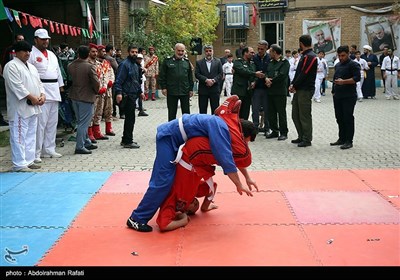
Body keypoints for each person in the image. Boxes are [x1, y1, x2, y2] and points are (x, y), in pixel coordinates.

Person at [127, 96, 258, 232]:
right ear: (242, 135)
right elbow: (226, 159)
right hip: (168, 138)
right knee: (163, 181)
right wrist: (238, 184)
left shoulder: (224, 126)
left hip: (177, 143)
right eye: (246, 142)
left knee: (167, 181)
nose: (245, 145)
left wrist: (247, 177)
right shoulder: (221, 128)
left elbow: (232, 156)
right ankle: (136, 219)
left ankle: (141, 215)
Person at [157, 116, 258, 232]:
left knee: (232, 155)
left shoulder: (174, 199)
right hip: (194, 155)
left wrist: (186, 218)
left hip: (192, 156)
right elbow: (213, 186)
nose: (195, 205)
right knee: (234, 156)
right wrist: (200, 209)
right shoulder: (192, 193)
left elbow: (164, 225)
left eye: (193, 206)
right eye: (197, 205)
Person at [3, 40, 45, 171]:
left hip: (34, 106)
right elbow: (17, 86)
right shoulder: (11, 66)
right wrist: (31, 97)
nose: (27, 53)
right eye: (24, 51)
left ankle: (29, 159)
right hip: (19, 107)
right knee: (19, 135)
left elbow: (39, 83)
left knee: (31, 134)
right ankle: (19, 163)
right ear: (17, 52)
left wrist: (42, 95)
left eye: (29, 51)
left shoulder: (31, 67)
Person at [28, 29, 64, 163]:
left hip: (54, 89)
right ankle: (36, 152)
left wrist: (61, 85)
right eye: (42, 39)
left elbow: (58, 71)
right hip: (41, 90)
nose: (45, 41)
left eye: (47, 39)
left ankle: (49, 149)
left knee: (52, 123)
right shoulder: (31, 54)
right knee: (40, 124)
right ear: (35, 39)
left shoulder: (51, 54)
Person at [67, 45, 100, 155]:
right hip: (86, 96)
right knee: (84, 123)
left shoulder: (70, 65)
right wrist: (96, 91)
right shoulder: (89, 66)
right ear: (88, 54)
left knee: (80, 121)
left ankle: (86, 141)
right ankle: (80, 146)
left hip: (74, 95)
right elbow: (96, 82)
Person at [289, 34, 318, 147]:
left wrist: (294, 84)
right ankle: (301, 136)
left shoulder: (310, 56)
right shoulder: (305, 55)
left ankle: (307, 138)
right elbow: (298, 73)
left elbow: (304, 73)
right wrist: (293, 85)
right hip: (299, 89)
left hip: (305, 90)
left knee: (304, 115)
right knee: (295, 114)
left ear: (301, 43)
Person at [330, 45, 361, 150]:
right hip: (338, 96)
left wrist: (343, 82)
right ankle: (341, 138)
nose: (341, 58)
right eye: (339, 56)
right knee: (339, 118)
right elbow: (335, 78)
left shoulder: (354, 65)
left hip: (349, 96)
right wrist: (333, 91)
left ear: (348, 54)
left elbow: (357, 78)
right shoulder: (338, 65)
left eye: (343, 55)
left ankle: (349, 140)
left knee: (348, 118)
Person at [114, 45, 143, 149]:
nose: (134, 54)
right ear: (128, 52)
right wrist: (119, 93)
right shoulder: (124, 65)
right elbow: (119, 80)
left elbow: (136, 81)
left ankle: (125, 138)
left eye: (136, 52)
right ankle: (128, 141)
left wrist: (140, 92)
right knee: (130, 119)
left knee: (131, 119)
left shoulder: (135, 65)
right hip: (127, 95)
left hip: (133, 94)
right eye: (132, 52)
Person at [158, 43, 194, 121]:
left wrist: (191, 89)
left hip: (184, 91)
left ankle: (187, 131)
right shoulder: (167, 61)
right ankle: (171, 131)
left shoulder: (186, 62)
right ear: (175, 50)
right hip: (172, 91)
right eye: (179, 51)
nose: (180, 53)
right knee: (172, 113)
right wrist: (163, 88)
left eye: (182, 51)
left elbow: (190, 77)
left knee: (186, 114)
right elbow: (162, 75)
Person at [264, 44, 290, 141]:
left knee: (281, 112)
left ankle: (283, 132)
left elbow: (282, 75)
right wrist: (266, 78)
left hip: (280, 92)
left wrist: (271, 81)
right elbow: (266, 72)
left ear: (275, 52)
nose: (269, 53)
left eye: (270, 51)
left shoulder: (284, 63)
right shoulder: (271, 62)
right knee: (271, 112)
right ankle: (274, 131)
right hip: (270, 91)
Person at [232, 47, 265, 120]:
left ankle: (244, 129)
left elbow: (255, 75)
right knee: (236, 112)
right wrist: (254, 74)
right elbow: (243, 71)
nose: (253, 54)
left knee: (245, 112)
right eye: (251, 52)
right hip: (239, 91)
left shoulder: (252, 64)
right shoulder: (238, 62)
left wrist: (254, 81)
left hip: (248, 92)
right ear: (245, 53)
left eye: (253, 52)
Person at [1, 34, 25, 126]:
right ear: (15, 40)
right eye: (19, 39)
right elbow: (4, 61)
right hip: (10, 74)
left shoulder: (26, 49)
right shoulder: (10, 49)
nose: (20, 41)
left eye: (22, 39)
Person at [195, 45, 223, 114]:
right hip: (203, 89)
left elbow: (221, 74)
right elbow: (197, 74)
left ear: (213, 51)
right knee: (202, 110)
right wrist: (206, 80)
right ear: (204, 52)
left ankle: (214, 124)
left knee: (215, 110)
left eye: (210, 51)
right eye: (207, 51)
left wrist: (213, 80)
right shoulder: (199, 62)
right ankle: (203, 124)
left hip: (214, 89)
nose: (208, 53)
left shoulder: (218, 61)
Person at [95, 45, 116, 136]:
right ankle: (96, 131)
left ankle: (109, 128)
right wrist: (99, 87)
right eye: (102, 51)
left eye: (104, 51)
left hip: (108, 90)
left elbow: (111, 73)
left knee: (109, 109)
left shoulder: (107, 63)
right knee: (97, 111)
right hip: (98, 92)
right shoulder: (94, 64)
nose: (104, 53)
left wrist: (111, 81)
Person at [251, 40, 270, 134]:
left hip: (267, 88)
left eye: (261, 49)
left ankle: (267, 128)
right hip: (257, 87)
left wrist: (265, 76)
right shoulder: (254, 58)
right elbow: (252, 70)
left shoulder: (269, 58)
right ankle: (255, 127)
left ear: (266, 48)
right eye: (258, 49)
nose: (259, 51)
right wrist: (254, 79)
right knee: (255, 108)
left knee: (267, 109)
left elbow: (270, 70)